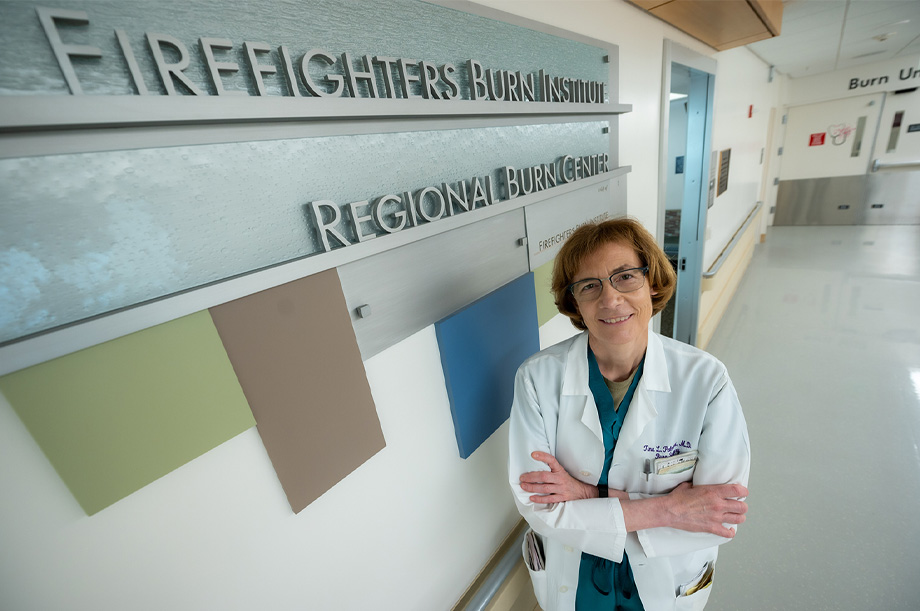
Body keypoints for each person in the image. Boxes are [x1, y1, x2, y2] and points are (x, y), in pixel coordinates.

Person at [508, 218, 750, 611]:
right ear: (575, 304)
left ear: (652, 283)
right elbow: (540, 506)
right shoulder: (537, 378)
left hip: (665, 580)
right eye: (589, 286)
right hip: (573, 578)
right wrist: (668, 508)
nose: (610, 299)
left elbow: (717, 517)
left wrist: (588, 495)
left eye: (625, 277)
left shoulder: (707, 380)